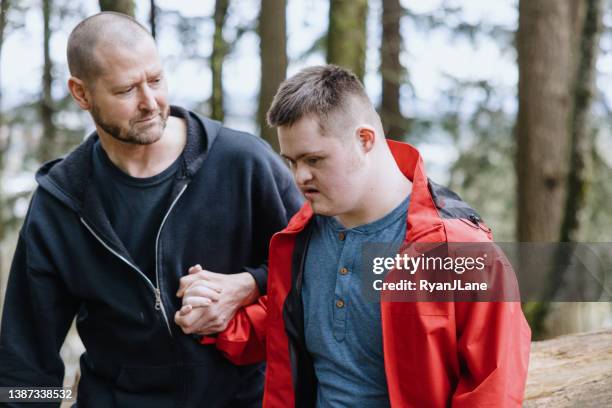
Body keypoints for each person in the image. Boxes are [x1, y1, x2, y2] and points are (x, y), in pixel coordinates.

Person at [177, 65, 531, 407]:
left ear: (365, 140)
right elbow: (288, 329)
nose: (299, 177)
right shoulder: (300, 237)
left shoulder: (458, 249)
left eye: (314, 159)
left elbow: (492, 389)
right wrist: (217, 317)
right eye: (291, 162)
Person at [0, 12, 302, 408]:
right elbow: (25, 365)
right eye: (126, 90)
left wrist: (249, 284)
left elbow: (319, 266)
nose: (150, 102)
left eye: (156, 80)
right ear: (81, 93)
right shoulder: (60, 201)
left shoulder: (243, 162)